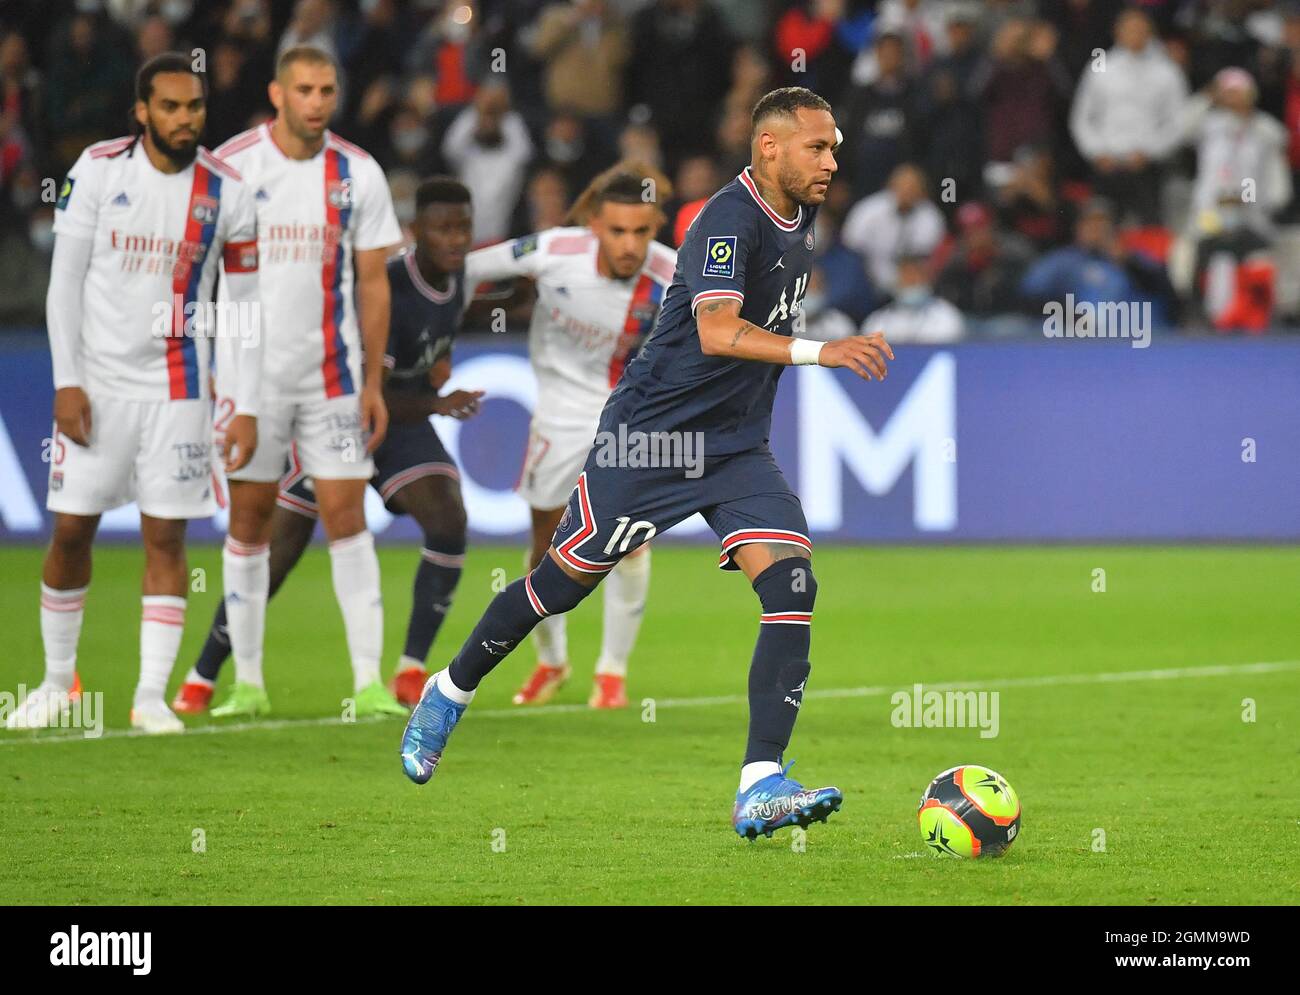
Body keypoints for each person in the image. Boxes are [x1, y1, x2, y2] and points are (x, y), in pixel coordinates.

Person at [399, 87, 894, 841]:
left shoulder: (803, 209)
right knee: (558, 587)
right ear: (769, 149)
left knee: (793, 583)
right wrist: (821, 350)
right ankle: (449, 688)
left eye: (834, 146)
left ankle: (760, 781)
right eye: (817, 147)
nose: (833, 160)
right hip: (652, 442)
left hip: (733, 446)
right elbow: (721, 332)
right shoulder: (726, 219)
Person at [6, 53, 260, 734]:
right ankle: (58, 681)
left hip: (180, 392)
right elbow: (65, 284)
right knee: (68, 532)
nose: (186, 118)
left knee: (166, 538)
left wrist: (248, 403)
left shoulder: (228, 192)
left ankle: (150, 695)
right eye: (171, 107)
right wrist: (68, 380)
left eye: (196, 107)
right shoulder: (97, 170)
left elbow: (243, 306)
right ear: (142, 112)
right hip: (99, 385)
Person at [174, 177, 485, 713]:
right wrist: (439, 401)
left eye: (463, 228)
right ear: (415, 232)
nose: (455, 239)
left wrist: (438, 359)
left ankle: (411, 672)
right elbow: (374, 389)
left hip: (403, 425)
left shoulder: (457, 279)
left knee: (449, 521)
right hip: (344, 413)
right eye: (442, 228)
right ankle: (202, 676)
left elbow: (438, 336)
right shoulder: (392, 288)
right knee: (279, 553)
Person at [207, 46, 404, 719]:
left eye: (327, 89)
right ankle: (249, 682)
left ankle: (369, 680)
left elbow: (374, 282)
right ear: (277, 94)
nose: (317, 101)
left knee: (348, 516)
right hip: (251, 382)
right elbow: (204, 274)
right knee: (250, 518)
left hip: (334, 376)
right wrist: (222, 376)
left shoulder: (359, 172)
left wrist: (373, 381)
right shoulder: (233, 166)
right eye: (305, 89)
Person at [463, 160, 678, 710]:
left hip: (628, 418)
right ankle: (551, 662)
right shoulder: (554, 250)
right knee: (546, 544)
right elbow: (463, 267)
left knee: (630, 542)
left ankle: (612, 673)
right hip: (557, 417)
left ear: (655, 228)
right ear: (594, 225)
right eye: (617, 231)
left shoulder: (674, 273)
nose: (630, 245)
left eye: (642, 231)